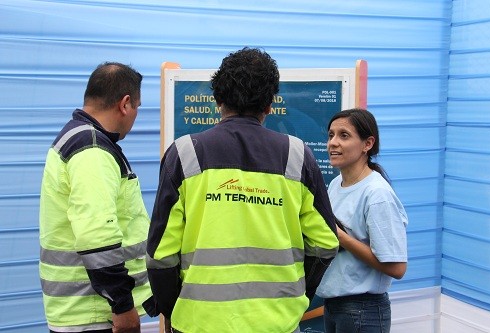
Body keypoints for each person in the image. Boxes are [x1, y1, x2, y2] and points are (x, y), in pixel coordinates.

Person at [146, 47, 340, 333]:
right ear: (269, 106)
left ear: (218, 99)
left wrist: (175, 309)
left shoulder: (186, 153)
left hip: (199, 322)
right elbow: (325, 243)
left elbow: (160, 254)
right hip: (277, 323)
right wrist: (296, 296)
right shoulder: (297, 156)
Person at [39, 62, 155, 333]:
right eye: (137, 106)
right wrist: (122, 306)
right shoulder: (91, 149)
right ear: (125, 104)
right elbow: (96, 237)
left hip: (83, 310)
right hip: (94, 312)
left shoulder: (74, 137)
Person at [316, 108, 409, 333]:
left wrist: (341, 238)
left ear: (367, 144)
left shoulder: (377, 194)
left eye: (344, 136)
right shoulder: (335, 185)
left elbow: (397, 267)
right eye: (330, 135)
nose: (333, 143)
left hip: (362, 311)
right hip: (334, 306)